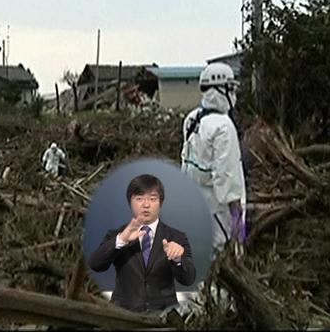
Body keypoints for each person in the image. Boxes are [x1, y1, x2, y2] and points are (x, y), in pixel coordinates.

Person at [88, 174, 196, 313]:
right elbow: (95, 264)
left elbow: (189, 279)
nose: (146, 205)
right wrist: (121, 240)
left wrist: (178, 259)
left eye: (152, 199)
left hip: (163, 316)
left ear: (160, 203)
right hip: (123, 314)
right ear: (130, 202)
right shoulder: (117, 234)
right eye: (139, 199)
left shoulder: (176, 237)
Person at [180, 62, 247, 257]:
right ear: (222, 89)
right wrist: (238, 223)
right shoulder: (224, 127)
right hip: (217, 212)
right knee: (219, 257)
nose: (233, 95)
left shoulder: (192, 119)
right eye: (231, 89)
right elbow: (227, 178)